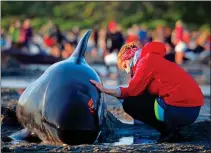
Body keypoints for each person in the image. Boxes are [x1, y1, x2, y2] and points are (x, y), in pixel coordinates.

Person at [90, 41, 204, 143]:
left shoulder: (145, 61)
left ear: (128, 58)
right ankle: (174, 130)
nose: (126, 71)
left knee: (129, 103)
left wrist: (105, 90)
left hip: (179, 110)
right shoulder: (153, 58)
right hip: (193, 109)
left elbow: (131, 91)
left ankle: (168, 132)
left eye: (124, 66)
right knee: (143, 96)